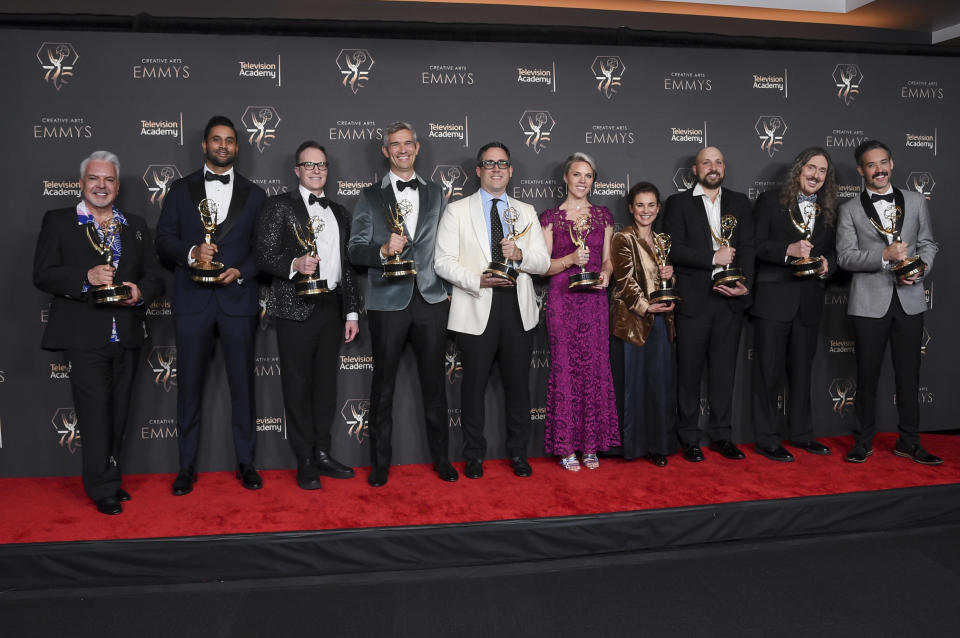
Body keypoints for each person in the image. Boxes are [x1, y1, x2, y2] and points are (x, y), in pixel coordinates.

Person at [33, 151, 163, 514]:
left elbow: (154, 275)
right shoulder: (59, 221)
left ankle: (111, 476)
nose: (101, 186)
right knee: (94, 413)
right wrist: (84, 279)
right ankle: (101, 486)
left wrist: (141, 292)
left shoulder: (134, 225)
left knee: (120, 412)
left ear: (117, 186)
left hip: (126, 334)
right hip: (83, 335)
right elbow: (42, 273)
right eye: (94, 178)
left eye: (108, 180)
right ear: (82, 183)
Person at [155, 115, 267, 494]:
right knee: (188, 388)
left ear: (237, 146)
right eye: (216, 140)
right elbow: (163, 239)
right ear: (204, 145)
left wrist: (241, 271)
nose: (223, 146)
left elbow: (262, 252)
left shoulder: (255, 194)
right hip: (193, 302)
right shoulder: (180, 189)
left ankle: (246, 463)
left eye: (230, 140)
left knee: (243, 388)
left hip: (238, 301)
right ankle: (185, 467)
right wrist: (190, 252)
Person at [347, 121, 456, 487]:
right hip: (388, 302)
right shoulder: (369, 197)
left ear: (418, 147)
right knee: (383, 387)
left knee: (435, 386)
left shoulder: (438, 194)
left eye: (407, 143)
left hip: (431, 298)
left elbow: (448, 247)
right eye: (395, 144)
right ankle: (380, 464)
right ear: (385, 151)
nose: (402, 150)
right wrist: (381, 250)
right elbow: (354, 251)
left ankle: (442, 459)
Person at [435, 141, 550, 478]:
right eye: (489, 163)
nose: (496, 169)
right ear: (478, 170)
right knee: (473, 389)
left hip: (517, 308)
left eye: (502, 163)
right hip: (476, 305)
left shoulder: (526, 210)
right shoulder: (457, 210)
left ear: (511, 170)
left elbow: (542, 262)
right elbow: (442, 261)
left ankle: (518, 454)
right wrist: (478, 281)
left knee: (518, 388)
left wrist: (519, 256)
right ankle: (473, 456)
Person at [255, 141, 360, 490]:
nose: (316, 170)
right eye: (309, 165)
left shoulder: (341, 213)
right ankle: (303, 458)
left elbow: (347, 269)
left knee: (326, 387)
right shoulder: (278, 206)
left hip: (331, 306)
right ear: (297, 170)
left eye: (322, 165)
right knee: (297, 386)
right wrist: (293, 264)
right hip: (294, 308)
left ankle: (323, 454)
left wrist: (352, 311)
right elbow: (263, 256)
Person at [836, 140, 940, 465]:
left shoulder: (915, 201)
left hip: (909, 299)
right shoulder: (849, 209)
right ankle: (863, 441)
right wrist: (883, 256)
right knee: (867, 376)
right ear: (861, 170)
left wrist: (919, 270)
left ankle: (909, 441)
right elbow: (844, 257)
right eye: (871, 164)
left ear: (891, 164)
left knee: (909, 375)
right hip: (869, 302)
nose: (878, 169)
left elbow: (928, 244)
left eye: (883, 162)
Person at [661, 146, 754, 462]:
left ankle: (722, 436)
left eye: (718, 162)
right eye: (706, 163)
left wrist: (746, 286)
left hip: (730, 302)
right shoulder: (678, 203)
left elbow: (749, 249)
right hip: (694, 301)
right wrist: (712, 257)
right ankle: (688, 438)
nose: (712, 167)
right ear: (695, 171)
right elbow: (673, 250)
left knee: (724, 374)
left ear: (724, 168)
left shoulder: (740, 202)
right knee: (688, 374)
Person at [751, 147, 837, 462]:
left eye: (822, 171)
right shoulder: (770, 202)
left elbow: (838, 254)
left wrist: (830, 265)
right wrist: (787, 250)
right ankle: (767, 439)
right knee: (767, 373)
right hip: (774, 300)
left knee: (803, 373)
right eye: (811, 168)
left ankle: (802, 435)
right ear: (798, 170)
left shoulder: (830, 210)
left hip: (810, 301)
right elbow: (755, 245)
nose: (815, 175)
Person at [538, 152, 619, 471]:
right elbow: (543, 266)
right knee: (566, 371)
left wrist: (607, 274)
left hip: (594, 301)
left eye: (588, 175)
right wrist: (571, 260)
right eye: (577, 174)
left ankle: (590, 445)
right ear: (566, 178)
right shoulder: (550, 217)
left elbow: (609, 258)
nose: (583, 180)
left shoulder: (603, 215)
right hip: (562, 300)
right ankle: (566, 445)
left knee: (594, 371)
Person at [610, 182, 677, 467]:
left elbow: (664, 281)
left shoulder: (662, 240)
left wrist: (671, 278)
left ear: (658, 208)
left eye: (651, 205)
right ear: (631, 208)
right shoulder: (622, 238)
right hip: (633, 321)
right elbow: (624, 281)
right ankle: (632, 446)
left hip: (661, 319)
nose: (645, 211)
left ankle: (658, 445)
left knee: (658, 384)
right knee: (633, 385)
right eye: (640, 205)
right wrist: (646, 306)